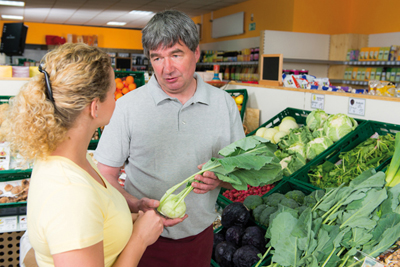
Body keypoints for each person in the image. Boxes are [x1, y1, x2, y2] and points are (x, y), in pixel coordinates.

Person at [94, 10, 245, 267]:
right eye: (157, 57)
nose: (167, 69)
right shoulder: (128, 106)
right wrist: (136, 204)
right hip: (139, 240)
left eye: (176, 54)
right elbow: (104, 175)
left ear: (196, 53)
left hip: (199, 238)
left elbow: (240, 174)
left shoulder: (224, 104)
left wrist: (221, 178)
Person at [2, 43, 164, 267]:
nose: (116, 98)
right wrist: (140, 239)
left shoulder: (69, 158)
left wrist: (135, 210)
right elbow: (78, 211)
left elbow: (94, 220)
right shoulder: (71, 193)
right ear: (94, 107)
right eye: (112, 92)